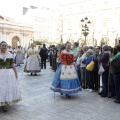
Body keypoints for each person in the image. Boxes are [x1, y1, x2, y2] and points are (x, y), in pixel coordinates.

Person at [0, 41, 21, 112]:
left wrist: (15, 73)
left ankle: (5, 103)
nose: (4, 47)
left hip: (9, 73)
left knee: (7, 87)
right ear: (0, 46)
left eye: (5, 46)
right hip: (0, 73)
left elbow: (12, 64)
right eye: (3, 45)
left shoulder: (9, 54)